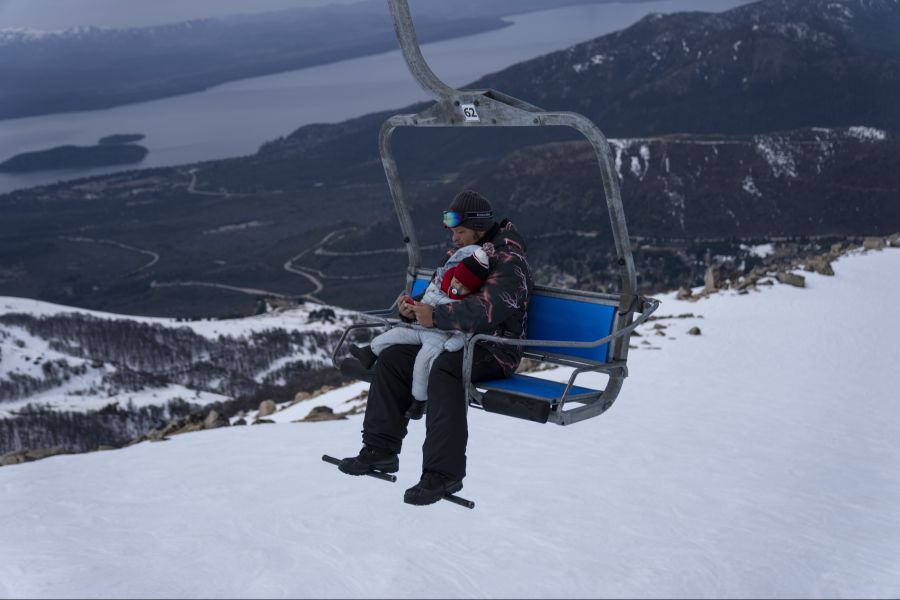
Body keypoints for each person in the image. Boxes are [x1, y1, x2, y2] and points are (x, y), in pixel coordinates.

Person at [338, 189, 533, 506]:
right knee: (393, 358)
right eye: (452, 233)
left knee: (445, 369)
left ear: (478, 227)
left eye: (459, 232)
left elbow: (488, 311)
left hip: (495, 347)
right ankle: (380, 449)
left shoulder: (510, 261)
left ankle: (442, 473)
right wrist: (413, 309)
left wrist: (436, 316)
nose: (454, 239)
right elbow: (437, 295)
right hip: (447, 338)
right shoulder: (460, 253)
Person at [348, 246, 490, 421]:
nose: (457, 286)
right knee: (397, 333)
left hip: (439, 338)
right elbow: (424, 301)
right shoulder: (439, 286)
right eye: (457, 280)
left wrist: (451, 345)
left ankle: (419, 401)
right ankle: (369, 352)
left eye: (464, 286)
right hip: (420, 328)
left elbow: (465, 331)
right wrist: (411, 307)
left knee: (421, 365)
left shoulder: (466, 305)